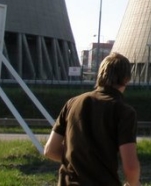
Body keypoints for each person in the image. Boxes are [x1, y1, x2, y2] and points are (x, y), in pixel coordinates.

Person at [44, 52, 141, 186]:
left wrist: (79, 162)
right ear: (126, 79)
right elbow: (131, 167)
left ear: (99, 75)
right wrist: (133, 183)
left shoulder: (72, 103)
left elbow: (50, 150)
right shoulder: (124, 112)